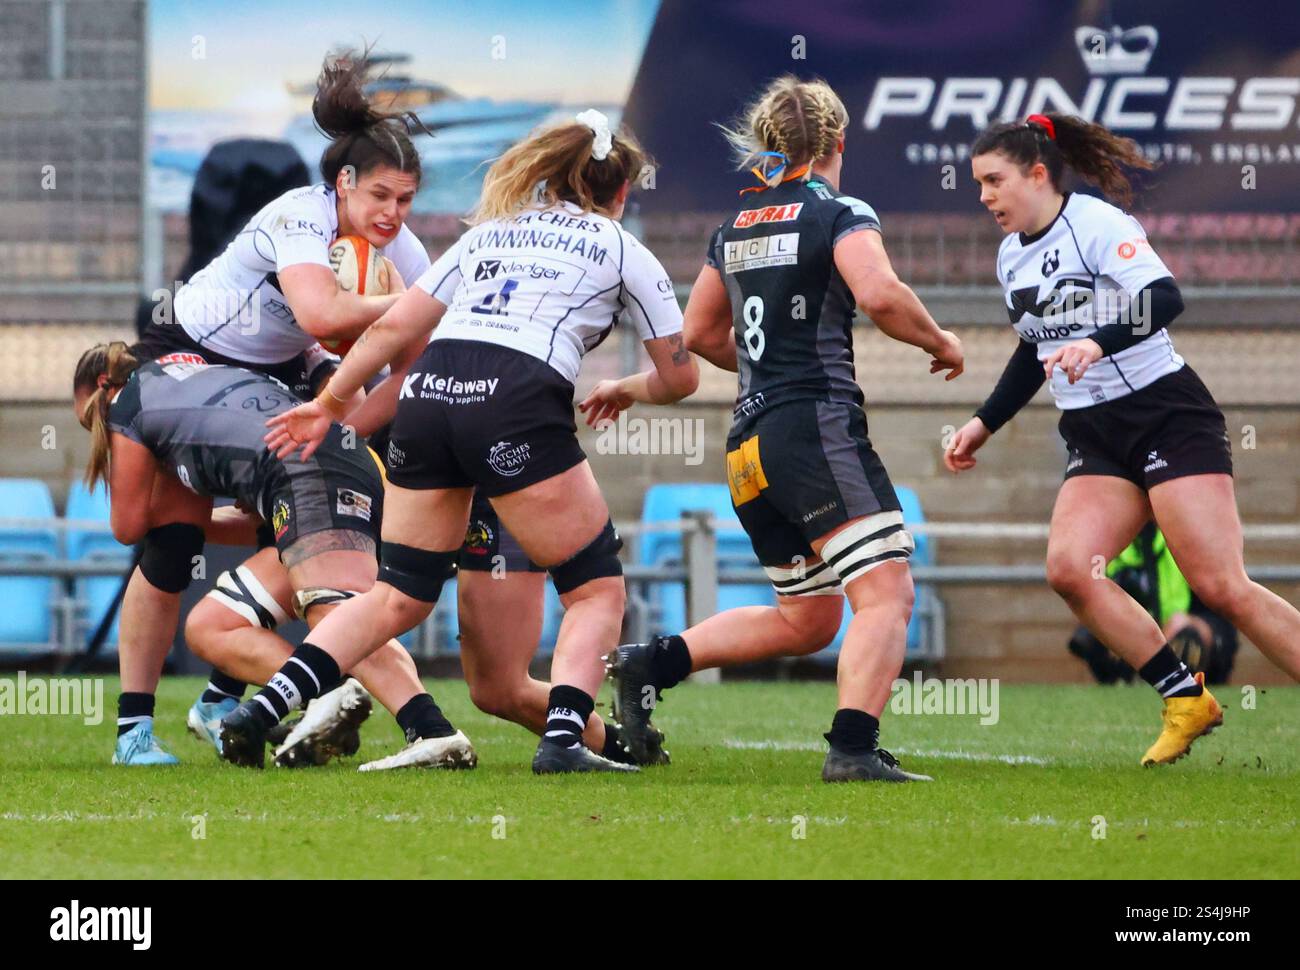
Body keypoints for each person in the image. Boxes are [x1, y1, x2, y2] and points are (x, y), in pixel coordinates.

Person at [242, 108, 698, 774]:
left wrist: (327, 404)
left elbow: (394, 329)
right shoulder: (623, 248)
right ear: (621, 191)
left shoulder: (489, 233)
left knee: (397, 594)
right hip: (514, 398)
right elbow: (681, 377)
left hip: (428, 394)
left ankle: (261, 709)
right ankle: (564, 741)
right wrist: (628, 388)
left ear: (547, 175)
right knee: (593, 589)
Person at [607, 76, 964, 783]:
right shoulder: (839, 211)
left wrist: (764, 369)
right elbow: (880, 294)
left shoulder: (737, 224)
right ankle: (854, 749)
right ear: (837, 141)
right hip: (813, 430)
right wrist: (941, 342)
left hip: (749, 442)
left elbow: (698, 334)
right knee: (887, 593)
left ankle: (650, 664)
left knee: (808, 619)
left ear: (770, 144)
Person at [944, 112, 1300, 765]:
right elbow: (1033, 350)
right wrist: (982, 422)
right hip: (1094, 432)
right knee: (1070, 570)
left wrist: (1096, 343)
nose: (985, 196)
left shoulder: (1098, 224)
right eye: (978, 184)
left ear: (1038, 174)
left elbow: (1163, 298)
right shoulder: (1010, 255)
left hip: (1166, 414)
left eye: (994, 180)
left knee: (1221, 585)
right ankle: (1185, 699)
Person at [74, 342, 475, 771]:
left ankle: (429, 728)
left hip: (311, 474)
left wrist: (156, 490)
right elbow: (221, 527)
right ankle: (326, 695)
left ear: (102, 386)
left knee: (340, 618)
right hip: (329, 466)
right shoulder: (186, 382)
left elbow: (128, 527)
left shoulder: (129, 404)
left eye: (86, 420)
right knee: (211, 627)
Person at [1068, 523, 1238, 685]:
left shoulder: (1190, 539)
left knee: (1184, 633)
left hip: (1189, 636)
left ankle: (1172, 682)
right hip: (1132, 641)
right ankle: (1138, 681)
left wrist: (1174, 634)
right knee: (1104, 626)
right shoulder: (1105, 544)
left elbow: (1221, 623)